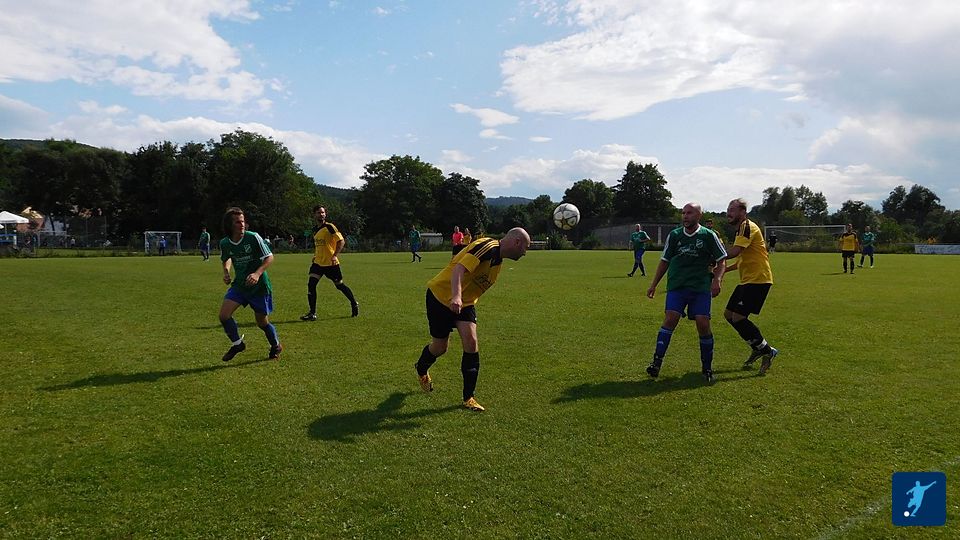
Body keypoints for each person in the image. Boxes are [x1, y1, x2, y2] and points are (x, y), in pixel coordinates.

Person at [414, 227, 532, 411]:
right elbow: (458, 270)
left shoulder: (497, 262)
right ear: (517, 242)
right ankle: (421, 368)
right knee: (440, 347)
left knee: (471, 342)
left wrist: (461, 300)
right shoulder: (488, 247)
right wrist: (456, 296)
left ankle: (468, 398)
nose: (525, 252)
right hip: (441, 297)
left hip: (465, 304)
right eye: (525, 247)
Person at [645, 203, 727, 383]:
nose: (685, 216)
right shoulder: (675, 235)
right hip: (678, 285)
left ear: (699, 215)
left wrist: (717, 280)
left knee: (703, 323)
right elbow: (665, 260)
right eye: (683, 213)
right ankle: (656, 363)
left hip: (700, 287)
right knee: (670, 318)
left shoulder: (708, 235)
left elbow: (722, 260)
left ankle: (707, 368)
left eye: (689, 213)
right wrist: (654, 284)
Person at [218, 207, 282, 361]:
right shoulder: (225, 243)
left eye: (243, 221)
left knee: (262, 323)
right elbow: (226, 258)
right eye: (237, 222)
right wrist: (226, 272)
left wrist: (257, 274)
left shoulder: (253, 237)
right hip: (240, 286)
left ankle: (275, 345)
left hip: (259, 287)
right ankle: (238, 344)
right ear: (229, 225)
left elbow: (269, 257)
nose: (242, 224)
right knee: (224, 315)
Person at [723, 198, 779, 374]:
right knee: (729, 315)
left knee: (738, 318)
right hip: (748, 281)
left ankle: (767, 350)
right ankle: (757, 347)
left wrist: (713, 255)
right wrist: (724, 270)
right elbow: (741, 259)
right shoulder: (741, 229)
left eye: (732, 210)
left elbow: (735, 252)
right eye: (728, 209)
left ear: (743, 212)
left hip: (758, 280)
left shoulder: (746, 227)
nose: (729, 213)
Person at [300, 205, 359, 320]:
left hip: (331, 263)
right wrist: (315, 255)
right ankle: (312, 313)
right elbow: (319, 246)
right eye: (318, 212)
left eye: (322, 212)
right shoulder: (315, 230)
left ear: (325, 214)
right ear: (314, 215)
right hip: (318, 263)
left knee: (339, 285)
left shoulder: (330, 227)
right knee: (311, 285)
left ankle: (354, 302)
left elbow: (341, 241)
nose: (321, 214)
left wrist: (335, 255)